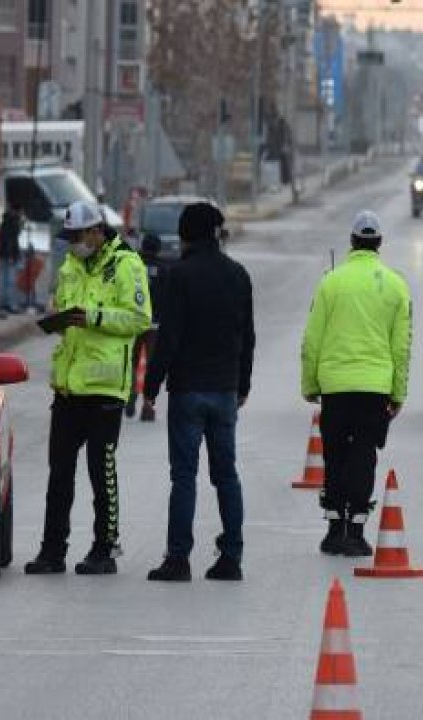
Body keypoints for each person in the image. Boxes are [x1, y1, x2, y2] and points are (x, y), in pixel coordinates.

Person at [24, 201, 152, 576]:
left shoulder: (127, 265)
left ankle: (104, 548)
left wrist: (94, 317)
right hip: (68, 387)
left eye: (79, 237)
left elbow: (140, 318)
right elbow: (62, 307)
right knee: (59, 473)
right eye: (71, 238)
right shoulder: (70, 267)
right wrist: (56, 318)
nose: (74, 244)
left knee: (102, 472)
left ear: (97, 231)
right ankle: (52, 551)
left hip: (105, 390)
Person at [143, 203, 255, 582]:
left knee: (184, 477)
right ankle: (232, 557)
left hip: (188, 390)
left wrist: (151, 385)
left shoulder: (180, 276)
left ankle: (178, 558)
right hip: (224, 390)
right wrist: (243, 384)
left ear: (187, 234)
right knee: (226, 475)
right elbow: (248, 336)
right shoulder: (238, 275)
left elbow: (169, 336)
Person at [301, 210, 412, 557]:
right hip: (374, 386)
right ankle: (357, 530)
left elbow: (312, 340)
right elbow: (401, 347)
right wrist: (398, 393)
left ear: (352, 242)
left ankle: (334, 529)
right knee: (364, 453)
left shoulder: (330, 282)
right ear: (379, 243)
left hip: (335, 385)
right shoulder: (395, 285)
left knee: (334, 454)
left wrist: (310, 384)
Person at [128, 233, 169, 422]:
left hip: (132, 321)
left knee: (131, 361)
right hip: (155, 323)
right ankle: (148, 405)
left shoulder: (131, 265)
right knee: (152, 366)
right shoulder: (164, 268)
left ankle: (129, 394)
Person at [0, 203, 25, 313]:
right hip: (10, 255)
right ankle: (9, 304)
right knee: (10, 280)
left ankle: (2, 303)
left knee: (3, 279)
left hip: (5, 254)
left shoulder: (6, 221)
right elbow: (11, 240)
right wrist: (11, 255)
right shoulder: (12, 222)